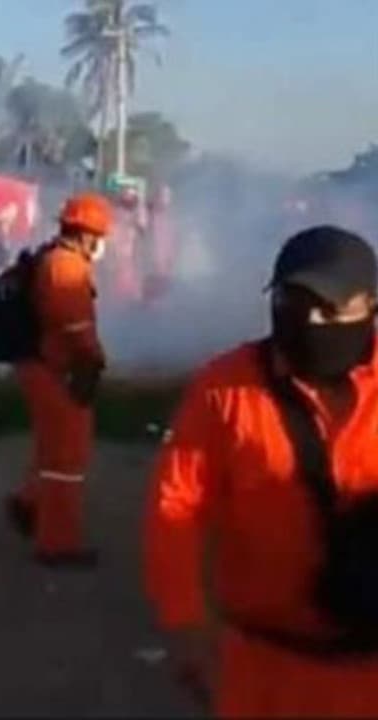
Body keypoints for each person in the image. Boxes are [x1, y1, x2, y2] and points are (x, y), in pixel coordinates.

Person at [145, 226, 378, 717]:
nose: (310, 321)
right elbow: (175, 508)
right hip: (260, 666)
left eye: (330, 308)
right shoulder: (223, 389)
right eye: (293, 303)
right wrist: (184, 620)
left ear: (370, 306)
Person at [4, 192, 113, 568]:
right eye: (100, 236)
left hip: (43, 368)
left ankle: (30, 502)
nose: (102, 244)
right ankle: (58, 543)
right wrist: (95, 361)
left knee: (52, 450)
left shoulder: (53, 258)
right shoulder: (67, 267)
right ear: (86, 234)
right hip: (58, 371)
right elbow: (76, 328)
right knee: (67, 459)